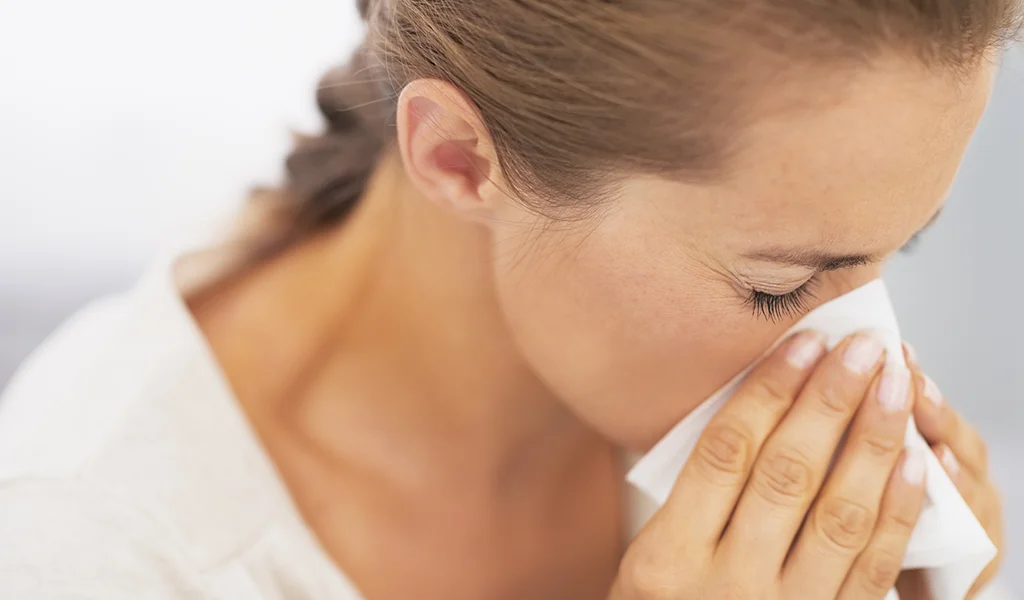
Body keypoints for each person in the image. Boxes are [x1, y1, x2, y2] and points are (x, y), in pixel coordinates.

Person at [0, 0, 1016, 598]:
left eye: (898, 248)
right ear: (455, 157)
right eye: (780, 285)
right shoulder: (92, 550)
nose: (869, 357)